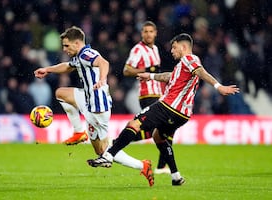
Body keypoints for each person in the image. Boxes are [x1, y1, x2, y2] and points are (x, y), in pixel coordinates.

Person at [87, 33, 240, 186]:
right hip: (183, 115)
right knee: (158, 136)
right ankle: (176, 176)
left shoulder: (190, 59)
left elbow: (201, 72)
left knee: (134, 124)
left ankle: (108, 156)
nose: (172, 51)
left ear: (184, 47)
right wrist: (151, 76)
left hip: (169, 106)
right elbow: (170, 76)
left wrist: (218, 86)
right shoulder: (183, 65)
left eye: (174, 47)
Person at [34, 26, 154, 187]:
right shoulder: (79, 55)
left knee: (104, 151)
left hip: (98, 107)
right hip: (88, 100)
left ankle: (143, 166)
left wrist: (103, 79)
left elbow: (104, 62)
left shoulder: (86, 54)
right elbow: (68, 66)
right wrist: (48, 70)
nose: (64, 49)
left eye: (67, 45)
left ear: (77, 43)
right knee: (61, 93)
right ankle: (78, 132)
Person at [123, 21, 169, 174]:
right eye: (145, 31)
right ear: (142, 33)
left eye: (151, 31)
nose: (148, 34)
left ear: (155, 33)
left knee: (161, 129)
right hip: (147, 94)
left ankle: (162, 166)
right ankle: (119, 141)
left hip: (158, 93)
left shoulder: (155, 49)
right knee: (159, 129)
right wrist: (146, 70)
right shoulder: (138, 49)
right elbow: (126, 70)